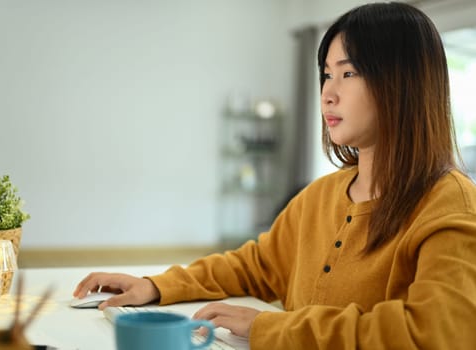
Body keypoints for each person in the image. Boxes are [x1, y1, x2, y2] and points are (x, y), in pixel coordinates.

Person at [73, 2, 476, 348]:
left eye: (348, 73)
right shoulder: (320, 196)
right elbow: (253, 266)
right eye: (326, 74)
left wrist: (270, 328)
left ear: (403, 84)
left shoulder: (449, 204)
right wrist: (156, 286)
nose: (328, 93)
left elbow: (434, 335)